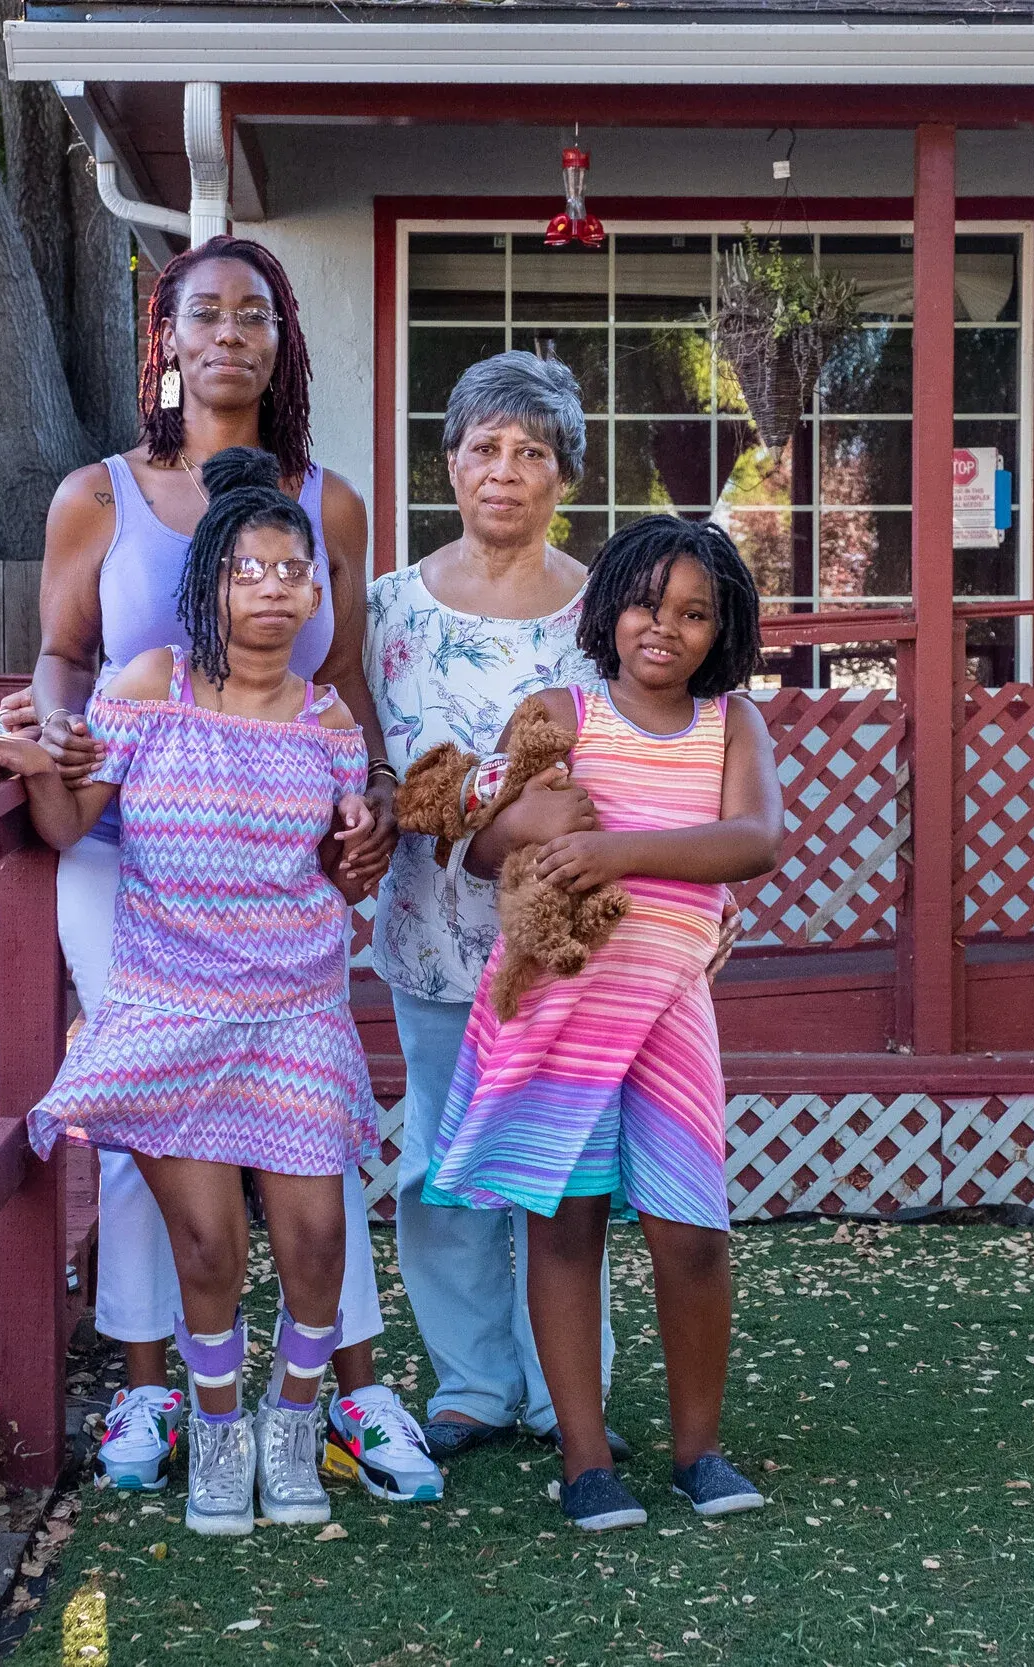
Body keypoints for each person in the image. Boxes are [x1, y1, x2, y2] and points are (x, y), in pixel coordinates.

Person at [1, 238, 435, 1504]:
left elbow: (343, 678)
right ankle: (155, 1386)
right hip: (122, 848)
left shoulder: (327, 504)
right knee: (149, 1111)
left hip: (279, 856)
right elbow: (61, 654)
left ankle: (343, 1389)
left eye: (256, 314)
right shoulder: (99, 493)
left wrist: (378, 800)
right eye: (206, 313)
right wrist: (57, 742)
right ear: (169, 338)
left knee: (307, 1113)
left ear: (282, 341)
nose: (231, 332)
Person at [0, 449, 376, 1537]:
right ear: (208, 584)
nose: (277, 588)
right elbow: (70, 823)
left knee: (317, 1241)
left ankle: (296, 1419)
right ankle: (220, 1427)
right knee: (206, 1245)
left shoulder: (330, 721)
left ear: (316, 593)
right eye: (251, 570)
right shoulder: (150, 684)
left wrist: (364, 839)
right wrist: (33, 762)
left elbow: (342, 869)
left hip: (294, 1010)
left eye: (295, 571)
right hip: (171, 1002)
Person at [426, 516, 781, 1533]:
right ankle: (585, 1461)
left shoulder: (732, 725)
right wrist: (527, 823)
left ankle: (699, 1450)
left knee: (692, 1232)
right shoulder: (560, 713)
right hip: (563, 1005)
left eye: (694, 613)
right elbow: (483, 845)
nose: (664, 627)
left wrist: (617, 854)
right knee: (564, 1223)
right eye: (645, 603)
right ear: (608, 607)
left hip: (668, 1006)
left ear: (723, 630)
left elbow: (755, 838)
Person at [365, 351, 627, 1463]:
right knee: (442, 1162)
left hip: (563, 942)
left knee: (564, 1170)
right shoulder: (387, 607)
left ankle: (566, 1386)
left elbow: (644, 759)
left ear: (565, 473)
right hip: (429, 936)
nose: (506, 470)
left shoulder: (607, 608)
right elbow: (369, 761)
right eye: (485, 447)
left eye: (532, 451)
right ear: (451, 463)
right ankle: (471, 1382)